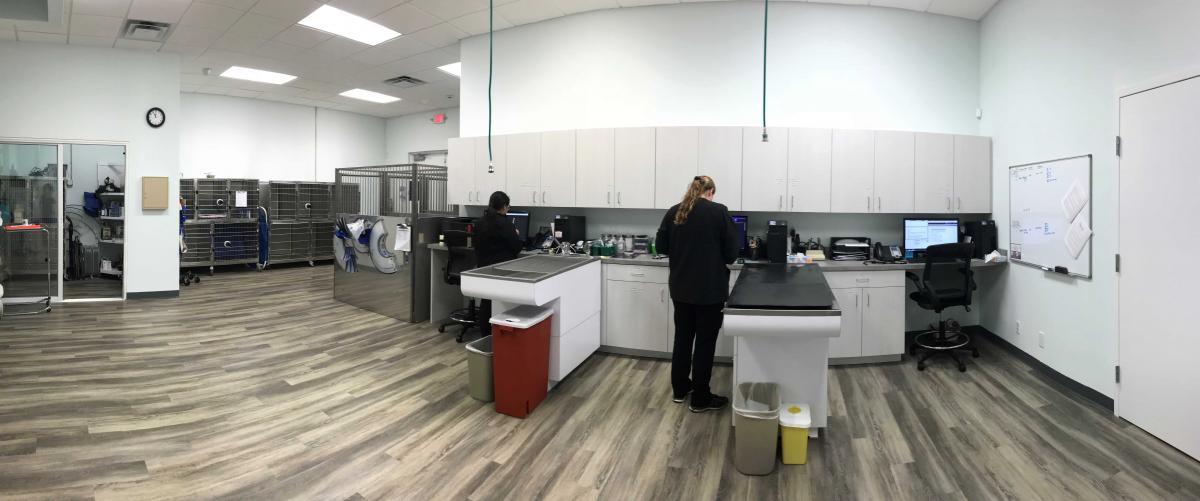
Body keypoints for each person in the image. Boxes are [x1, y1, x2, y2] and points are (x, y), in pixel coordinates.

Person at [655, 175, 739, 413]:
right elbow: (732, 253)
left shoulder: (674, 212)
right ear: (710, 191)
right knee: (704, 342)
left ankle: (680, 390)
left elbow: (661, 247)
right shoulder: (719, 212)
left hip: (680, 289)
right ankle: (701, 398)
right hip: (710, 291)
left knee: (682, 338)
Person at [472, 191, 524, 333]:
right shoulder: (505, 224)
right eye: (508, 207)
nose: (508, 210)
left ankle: (485, 335)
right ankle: (500, 336)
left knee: (486, 302)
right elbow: (517, 247)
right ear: (503, 207)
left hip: (483, 269)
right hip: (501, 271)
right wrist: (516, 235)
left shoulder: (479, 222)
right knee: (501, 303)